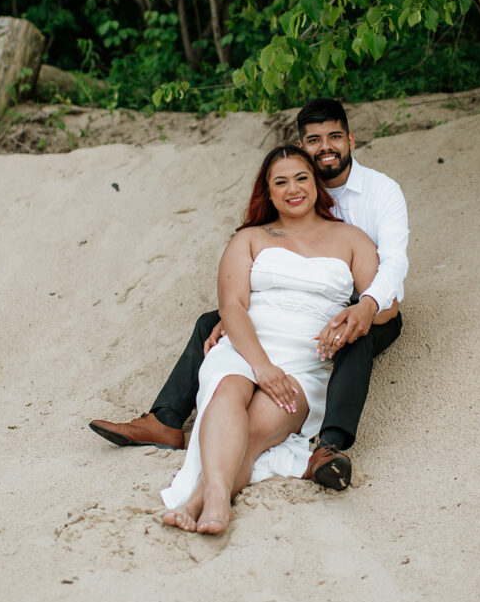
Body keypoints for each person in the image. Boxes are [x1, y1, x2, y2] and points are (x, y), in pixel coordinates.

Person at [89, 98, 408, 490]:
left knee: (352, 341)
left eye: (334, 137)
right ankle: (167, 419)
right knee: (214, 321)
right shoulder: (295, 186)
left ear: (350, 140)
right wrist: (243, 310)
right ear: (302, 148)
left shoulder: (381, 191)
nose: (326, 146)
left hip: (369, 302)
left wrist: (366, 305)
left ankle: (329, 444)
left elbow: (393, 263)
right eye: (314, 139)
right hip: (293, 304)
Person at [161, 144, 379, 534]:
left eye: (301, 178)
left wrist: (364, 308)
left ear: (316, 183)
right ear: (268, 191)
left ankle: (199, 497)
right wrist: (261, 367)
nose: (293, 189)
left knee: (256, 431)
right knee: (227, 391)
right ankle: (215, 502)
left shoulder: (351, 238)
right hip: (246, 348)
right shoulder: (249, 238)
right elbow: (232, 306)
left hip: (307, 358)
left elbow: (386, 304)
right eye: (281, 182)